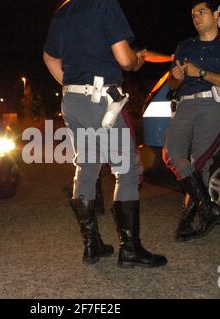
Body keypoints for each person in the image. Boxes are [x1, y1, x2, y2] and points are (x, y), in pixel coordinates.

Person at [43, 0, 167, 268]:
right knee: (127, 170)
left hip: (72, 100)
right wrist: (136, 61)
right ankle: (130, 249)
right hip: (101, 101)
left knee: (87, 167)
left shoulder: (62, 12)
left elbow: (49, 57)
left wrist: (71, 84)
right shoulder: (104, 4)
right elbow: (124, 58)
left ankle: (92, 245)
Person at [164, 0, 220, 241]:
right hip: (186, 102)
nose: (196, 17)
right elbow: (172, 84)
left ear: (217, 15)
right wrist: (177, 77)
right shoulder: (184, 46)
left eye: (201, 12)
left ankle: (188, 219)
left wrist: (199, 72)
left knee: (200, 162)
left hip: (213, 104)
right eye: (192, 14)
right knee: (171, 154)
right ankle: (208, 208)